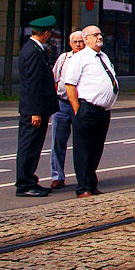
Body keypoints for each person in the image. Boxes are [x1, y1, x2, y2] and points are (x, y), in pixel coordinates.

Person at [63, 25, 119, 198]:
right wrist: (77, 110)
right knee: (83, 149)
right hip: (86, 109)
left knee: (96, 149)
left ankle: (92, 184)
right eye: (95, 35)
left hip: (102, 111)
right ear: (86, 39)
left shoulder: (103, 56)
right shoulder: (79, 58)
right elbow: (70, 85)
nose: (99, 37)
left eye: (100, 34)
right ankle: (83, 188)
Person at [15, 15, 59, 197]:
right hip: (33, 110)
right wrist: (34, 112)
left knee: (34, 146)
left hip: (37, 108)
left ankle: (29, 179)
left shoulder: (33, 49)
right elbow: (32, 84)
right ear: (46, 33)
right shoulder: (33, 52)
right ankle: (24, 184)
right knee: (29, 146)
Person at [50, 31, 85, 190]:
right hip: (63, 104)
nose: (78, 44)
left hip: (81, 104)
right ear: (70, 44)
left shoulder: (88, 59)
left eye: (81, 41)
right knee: (58, 141)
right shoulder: (64, 58)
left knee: (83, 142)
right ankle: (57, 176)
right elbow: (56, 79)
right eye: (75, 42)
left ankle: (84, 177)